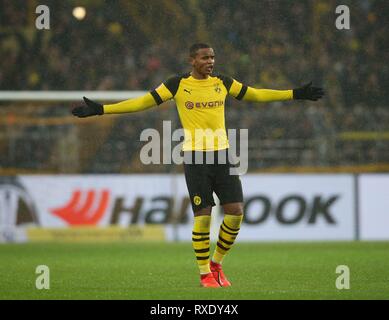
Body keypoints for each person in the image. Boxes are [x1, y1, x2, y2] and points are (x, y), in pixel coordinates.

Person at [72, 43, 324, 288]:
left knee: (235, 213)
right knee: (203, 216)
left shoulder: (222, 82)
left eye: (212, 57)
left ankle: (216, 263)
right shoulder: (178, 84)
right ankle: (204, 274)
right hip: (195, 157)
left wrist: (295, 94)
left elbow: (255, 94)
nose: (210, 62)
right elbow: (143, 102)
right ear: (191, 60)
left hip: (222, 155)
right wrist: (102, 110)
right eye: (204, 58)